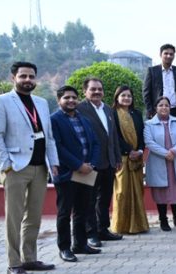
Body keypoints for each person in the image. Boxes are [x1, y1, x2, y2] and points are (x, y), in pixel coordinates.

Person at [0, 62, 59, 274]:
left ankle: (30, 258)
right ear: (14, 78)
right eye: (23, 76)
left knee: (34, 216)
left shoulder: (41, 103)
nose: (28, 80)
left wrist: (53, 162)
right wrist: (6, 165)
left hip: (40, 168)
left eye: (31, 76)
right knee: (14, 217)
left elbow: (49, 137)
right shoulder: (1, 101)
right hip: (16, 168)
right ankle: (14, 263)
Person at [51, 86, 101, 262]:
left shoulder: (84, 119)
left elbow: (95, 143)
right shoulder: (54, 120)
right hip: (67, 173)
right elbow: (57, 147)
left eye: (74, 97)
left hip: (87, 171)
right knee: (65, 213)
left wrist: (91, 164)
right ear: (59, 100)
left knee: (83, 209)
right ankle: (64, 248)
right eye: (66, 98)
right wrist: (78, 165)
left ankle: (80, 244)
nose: (71, 100)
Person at [76, 78, 123, 247]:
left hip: (109, 162)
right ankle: (91, 233)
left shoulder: (109, 109)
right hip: (89, 163)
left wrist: (117, 157)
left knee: (104, 198)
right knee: (88, 199)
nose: (97, 92)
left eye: (100, 89)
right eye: (93, 89)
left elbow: (113, 136)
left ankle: (103, 229)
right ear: (85, 91)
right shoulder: (79, 109)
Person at [144, 96, 176, 231]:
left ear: (170, 107)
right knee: (161, 190)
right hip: (159, 161)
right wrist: (166, 153)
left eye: (166, 105)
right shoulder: (148, 124)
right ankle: (163, 220)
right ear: (155, 108)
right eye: (161, 105)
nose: (164, 108)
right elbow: (149, 142)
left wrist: (175, 151)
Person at [110, 86, 149, 234]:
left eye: (129, 96)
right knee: (121, 192)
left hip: (136, 159)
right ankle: (121, 226)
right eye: (123, 95)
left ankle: (139, 225)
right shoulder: (112, 113)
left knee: (138, 191)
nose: (126, 98)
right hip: (122, 158)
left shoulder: (137, 114)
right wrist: (128, 150)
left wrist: (139, 150)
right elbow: (114, 136)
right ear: (117, 97)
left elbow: (141, 134)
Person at [143, 43, 176, 118]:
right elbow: (146, 93)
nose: (168, 56)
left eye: (171, 54)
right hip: (157, 111)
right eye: (166, 53)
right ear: (160, 55)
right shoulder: (152, 71)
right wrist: (150, 110)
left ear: (174, 56)